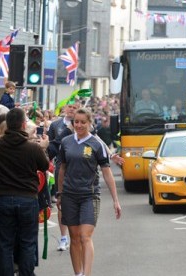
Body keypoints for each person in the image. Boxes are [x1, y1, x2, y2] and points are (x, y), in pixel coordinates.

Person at [56, 108, 121, 276]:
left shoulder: (96, 144)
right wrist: (60, 193)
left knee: (85, 236)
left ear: (90, 123)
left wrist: (115, 200)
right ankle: (78, 273)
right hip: (70, 195)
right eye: (76, 122)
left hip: (89, 196)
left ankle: (87, 274)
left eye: (83, 122)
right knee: (75, 238)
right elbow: (62, 168)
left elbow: (107, 172)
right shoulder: (66, 142)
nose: (79, 125)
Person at [0, 108, 49, 276]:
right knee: (27, 242)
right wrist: (43, 147)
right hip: (27, 199)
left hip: (3, 198)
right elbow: (44, 165)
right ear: (23, 124)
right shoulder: (32, 148)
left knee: (4, 242)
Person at [47, 102, 78, 251]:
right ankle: (63, 237)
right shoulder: (56, 125)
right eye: (70, 107)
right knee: (62, 202)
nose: (71, 109)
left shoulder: (81, 125)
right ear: (65, 108)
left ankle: (76, 237)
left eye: (75, 107)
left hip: (78, 168)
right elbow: (52, 145)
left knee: (77, 203)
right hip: (61, 167)